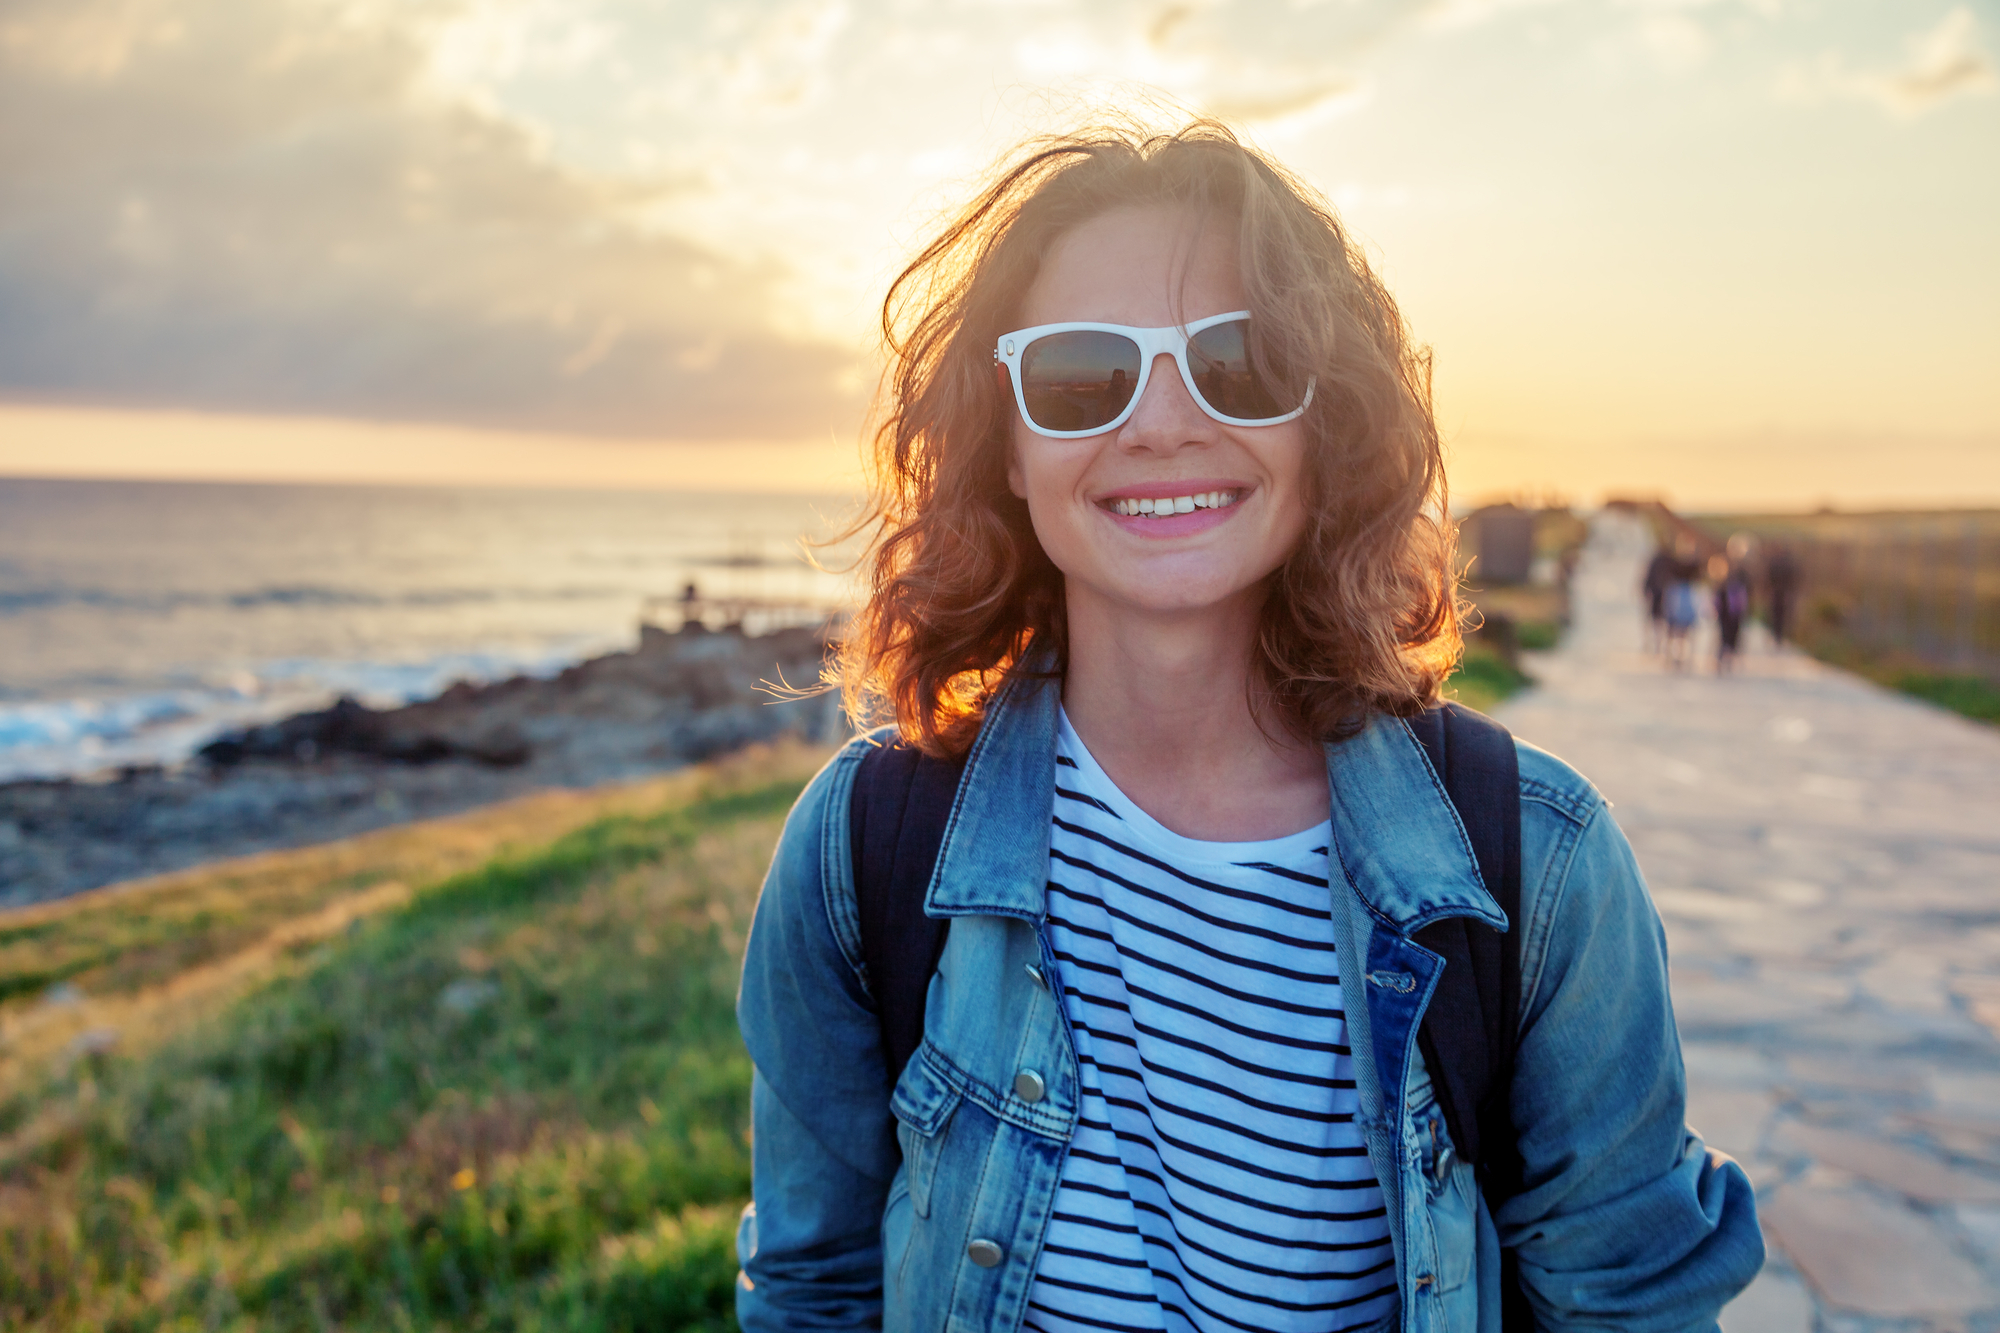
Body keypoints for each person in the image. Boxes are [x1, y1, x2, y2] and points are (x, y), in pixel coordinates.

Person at [735, 122, 1761, 1332]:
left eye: (1240, 363)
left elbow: (1626, 1307)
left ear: (1324, 425)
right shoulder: (865, 849)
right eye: (1080, 375)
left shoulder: (1538, 868)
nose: (1160, 424)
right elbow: (816, 1293)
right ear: (1006, 446)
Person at [1641, 541, 1677, 653]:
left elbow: (1648, 577)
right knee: (1662, 621)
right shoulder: (1669, 560)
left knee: (1656, 620)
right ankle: (1659, 645)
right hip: (1664, 594)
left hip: (1658, 593)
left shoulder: (1657, 560)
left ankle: (1656, 645)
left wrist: (1645, 590)